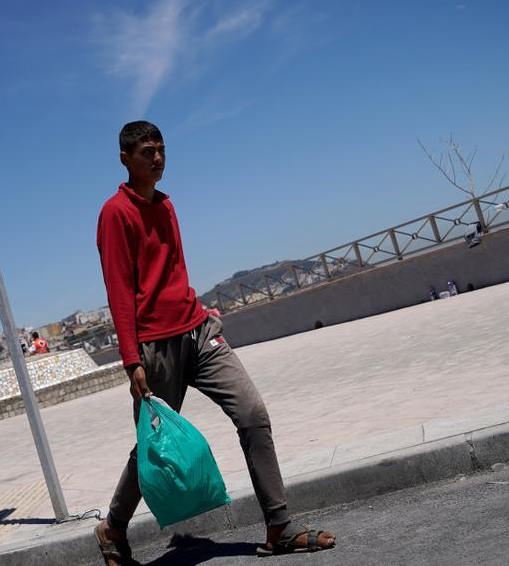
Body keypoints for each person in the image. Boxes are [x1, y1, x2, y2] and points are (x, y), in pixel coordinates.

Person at [92, 121, 336, 564]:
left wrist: (200, 312)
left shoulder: (167, 207)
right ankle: (112, 528)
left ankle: (279, 525)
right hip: (154, 348)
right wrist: (132, 361)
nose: (158, 158)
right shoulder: (115, 213)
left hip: (198, 333)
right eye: (148, 151)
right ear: (126, 159)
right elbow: (119, 291)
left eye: (162, 149)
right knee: (153, 447)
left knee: (253, 414)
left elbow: (172, 274)